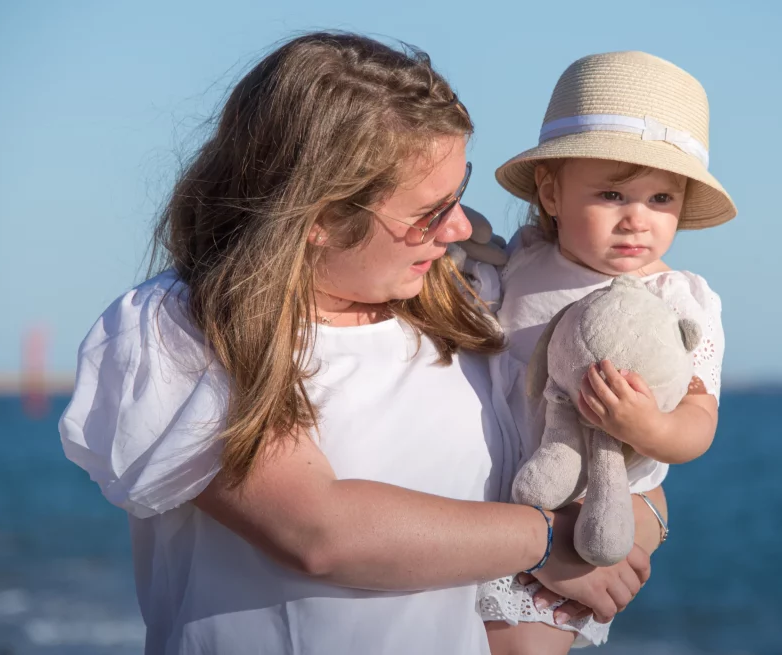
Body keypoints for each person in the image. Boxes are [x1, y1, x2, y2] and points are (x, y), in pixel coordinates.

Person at [58, 33, 664, 655]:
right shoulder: (180, 327)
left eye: (460, 193)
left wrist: (636, 517)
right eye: (429, 210)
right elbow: (318, 531)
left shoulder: (470, 298)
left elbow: (593, 443)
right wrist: (552, 540)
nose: (459, 227)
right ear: (317, 216)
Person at [474, 51, 736, 653]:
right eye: (613, 193)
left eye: (661, 200)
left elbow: (699, 422)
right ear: (552, 190)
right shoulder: (525, 260)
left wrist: (647, 425)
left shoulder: (679, 301)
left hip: (583, 511)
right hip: (491, 499)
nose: (636, 221)